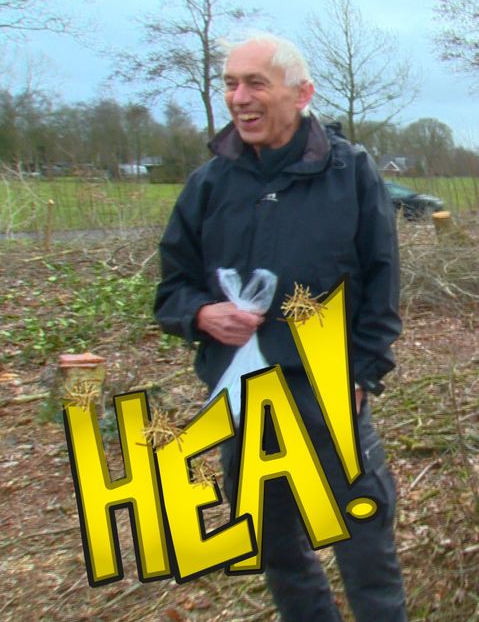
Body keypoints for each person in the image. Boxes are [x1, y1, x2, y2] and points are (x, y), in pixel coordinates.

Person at [154, 31, 408, 621]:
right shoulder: (209, 183)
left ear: (301, 94)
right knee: (274, 547)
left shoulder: (351, 174)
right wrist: (201, 314)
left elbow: (382, 284)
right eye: (230, 84)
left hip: (326, 391)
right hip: (242, 398)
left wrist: (363, 373)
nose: (239, 98)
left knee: (364, 543)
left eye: (255, 84)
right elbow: (173, 286)